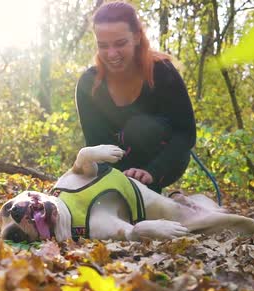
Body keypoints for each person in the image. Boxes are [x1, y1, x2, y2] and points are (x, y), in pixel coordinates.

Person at [75, 0, 196, 193]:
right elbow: (96, 143)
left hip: (165, 160)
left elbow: (186, 134)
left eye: (120, 43)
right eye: (103, 46)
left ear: (137, 36)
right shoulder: (88, 84)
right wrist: (119, 177)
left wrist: (152, 172)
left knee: (139, 128)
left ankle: (152, 192)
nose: (112, 54)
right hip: (118, 166)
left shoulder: (163, 72)